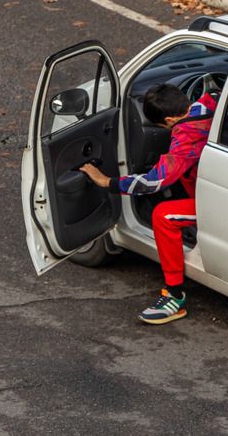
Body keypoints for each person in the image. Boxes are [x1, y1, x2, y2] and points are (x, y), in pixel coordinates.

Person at [79, 83, 217, 325]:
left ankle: (175, 297)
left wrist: (108, 182)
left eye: (164, 126)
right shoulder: (211, 101)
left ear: (172, 118)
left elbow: (155, 181)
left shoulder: (187, 134)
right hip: (222, 186)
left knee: (163, 216)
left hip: (216, 203)